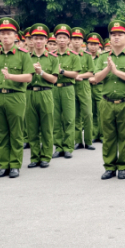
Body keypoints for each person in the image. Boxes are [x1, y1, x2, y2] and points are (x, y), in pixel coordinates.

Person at [0, 18, 35, 179]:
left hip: (15, 96)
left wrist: (11, 76)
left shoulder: (23, 55)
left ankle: (15, 165)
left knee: (16, 132)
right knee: (1, 133)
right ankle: (3, 165)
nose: (5, 37)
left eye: (9, 33)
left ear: (15, 36)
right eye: (2, 34)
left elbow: (28, 77)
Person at [93, 20, 125, 180]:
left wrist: (116, 71)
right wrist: (108, 68)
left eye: (120, 35)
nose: (116, 38)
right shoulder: (102, 58)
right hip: (107, 102)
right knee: (108, 136)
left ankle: (123, 166)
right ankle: (109, 167)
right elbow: (95, 79)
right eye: (113, 35)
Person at [25, 24, 59, 168]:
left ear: (46, 40)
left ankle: (46, 156)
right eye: (35, 38)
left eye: (41, 38)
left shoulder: (53, 58)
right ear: (31, 40)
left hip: (46, 92)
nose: (38, 41)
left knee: (46, 126)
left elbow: (54, 79)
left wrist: (41, 72)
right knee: (31, 127)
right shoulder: (26, 57)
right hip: (29, 93)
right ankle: (34, 157)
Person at [52, 25, 80, 159]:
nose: (61, 40)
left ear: (68, 40)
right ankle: (58, 146)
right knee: (55, 119)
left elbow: (75, 74)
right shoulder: (51, 56)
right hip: (53, 89)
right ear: (55, 39)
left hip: (68, 88)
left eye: (64, 38)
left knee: (69, 118)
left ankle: (68, 147)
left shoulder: (74, 56)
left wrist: (62, 71)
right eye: (59, 37)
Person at [70, 28, 95, 148]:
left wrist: (78, 75)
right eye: (74, 38)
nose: (76, 41)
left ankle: (88, 141)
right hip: (71, 86)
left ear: (82, 41)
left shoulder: (87, 56)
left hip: (84, 85)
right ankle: (78, 140)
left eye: (79, 39)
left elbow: (91, 73)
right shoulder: (67, 55)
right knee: (75, 115)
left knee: (88, 114)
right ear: (71, 40)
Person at [86, 33, 106, 143]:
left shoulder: (103, 57)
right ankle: (94, 134)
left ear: (99, 45)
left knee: (101, 112)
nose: (93, 46)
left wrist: (95, 78)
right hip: (88, 88)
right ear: (87, 45)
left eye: (95, 44)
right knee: (91, 112)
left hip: (100, 88)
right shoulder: (85, 57)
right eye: (90, 44)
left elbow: (106, 72)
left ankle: (102, 135)